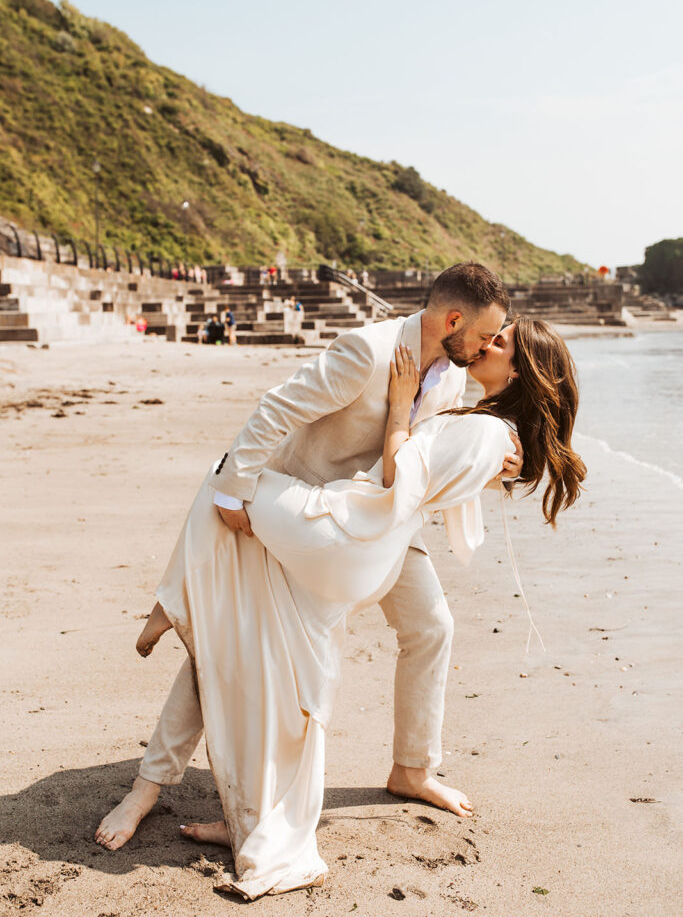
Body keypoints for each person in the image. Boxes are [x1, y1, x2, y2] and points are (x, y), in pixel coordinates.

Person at [97, 318, 585, 899]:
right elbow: (286, 417)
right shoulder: (377, 352)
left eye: (497, 342)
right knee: (245, 638)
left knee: (432, 626)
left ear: (520, 371)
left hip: (372, 526)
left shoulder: (457, 387)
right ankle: (171, 780)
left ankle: (412, 769)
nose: (484, 345)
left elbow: (431, 466)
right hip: (324, 510)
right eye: (488, 333)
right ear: (457, 323)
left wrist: (498, 467)